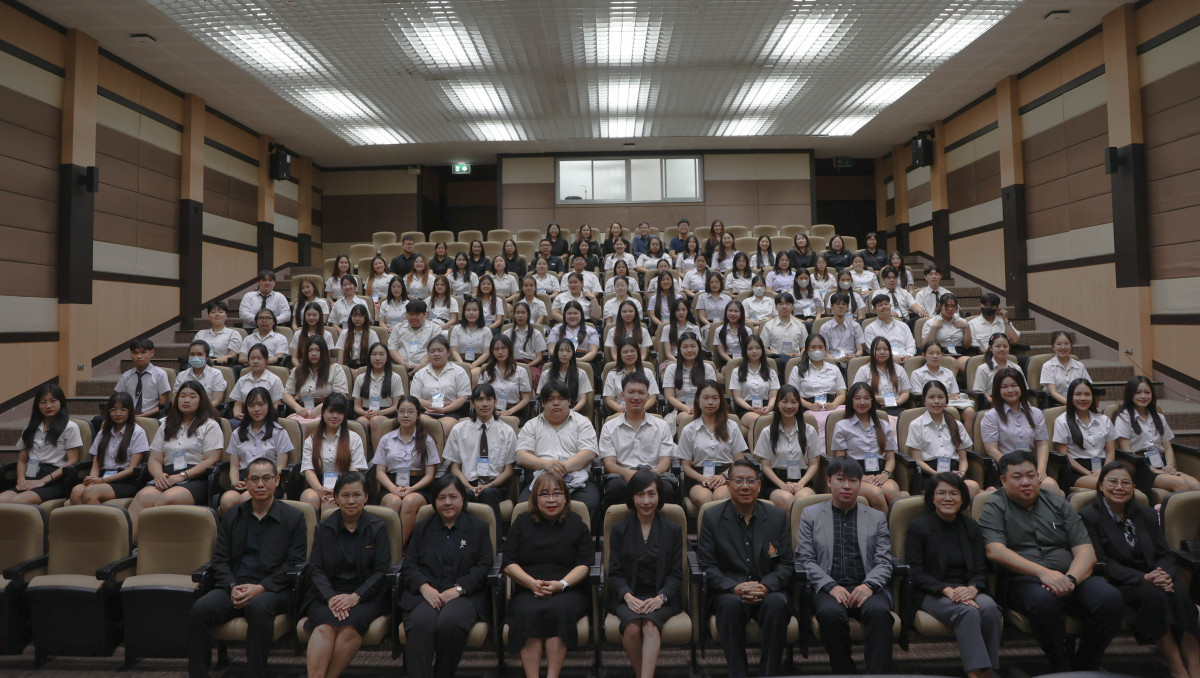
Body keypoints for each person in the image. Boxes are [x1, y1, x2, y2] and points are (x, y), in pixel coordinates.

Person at [980, 450, 1124, 672]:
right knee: (1044, 602)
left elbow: (1085, 551)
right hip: (1025, 579)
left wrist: (1071, 579)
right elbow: (995, 550)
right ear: (1003, 480)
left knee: (1110, 599)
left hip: (1071, 577)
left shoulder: (1057, 502)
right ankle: (1060, 665)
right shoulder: (995, 505)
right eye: (1017, 477)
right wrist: (1043, 573)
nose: (1026, 482)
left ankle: (1085, 664)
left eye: (1031, 475)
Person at [189, 457, 307, 678]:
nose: (260, 484)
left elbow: (295, 564)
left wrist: (261, 588)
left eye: (266, 478)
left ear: (277, 481)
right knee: (200, 609)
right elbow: (220, 559)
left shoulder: (293, 518)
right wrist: (231, 586)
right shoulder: (233, 515)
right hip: (235, 586)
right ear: (246, 483)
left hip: (273, 589)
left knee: (258, 608)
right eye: (254, 479)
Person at [1081, 462, 1200, 678]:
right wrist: (1143, 577)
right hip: (1120, 581)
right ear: (1100, 486)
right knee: (1155, 597)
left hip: (1155, 575)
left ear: (1134, 487)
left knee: (1179, 592)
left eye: (1125, 483)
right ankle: (1177, 667)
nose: (1119, 487)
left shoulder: (1145, 514)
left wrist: (1162, 573)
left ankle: (1195, 666)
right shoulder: (1090, 517)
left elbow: (1164, 553)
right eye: (1113, 482)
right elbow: (1101, 561)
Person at [797, 456, 894, 675]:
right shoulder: (811, 515)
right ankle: (845, 671)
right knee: (831, 614)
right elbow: (806, 559)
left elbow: (884, 561)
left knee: (879, 612)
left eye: (853, 481)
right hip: (828, 587)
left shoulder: (877, 517)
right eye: (840, 480)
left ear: (860, 484)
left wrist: (869, 585)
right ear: (829, 481)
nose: (847, 486)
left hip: (866, 585)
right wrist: (831, 586)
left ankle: (878, 673)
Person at [697, 459, 793, 678]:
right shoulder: (712, 517)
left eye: (750, 481)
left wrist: (765, 586)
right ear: (729, 485)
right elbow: (708, 565)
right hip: (730, 591)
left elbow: (786, 563)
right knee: (729, 606)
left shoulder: (777, 517)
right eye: (738, 481)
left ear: (759, 486)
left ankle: (769, 673)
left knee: (778, 604)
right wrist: (735, 587)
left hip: (767, 589)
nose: (745, 486)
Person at [905, 472, 1001, 678]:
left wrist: (973, 588)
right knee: (967, 612)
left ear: (963, 498)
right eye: (941, 493)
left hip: (967, 589)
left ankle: (988, 671)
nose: (948, 498)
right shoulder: (918, 527)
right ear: (932, 497)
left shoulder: (971, 527)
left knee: (990, 608)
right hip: (932, 592)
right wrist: (947, 590)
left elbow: (981, 569)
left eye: (954, 493)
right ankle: (974, 674)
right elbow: (916, 572)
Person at [401, 475, 494, 678]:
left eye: (453, 497)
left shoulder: (478, 527)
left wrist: (459, 589)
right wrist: (424, 587)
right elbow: (409, 564)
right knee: (420, 624)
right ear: (434, 501)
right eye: (441, 498)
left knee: (450, 623)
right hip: (427, 594)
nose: (448, 502)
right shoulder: (423, 527)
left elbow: (484, 565)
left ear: (463, 499)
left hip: (464, 595)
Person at [503, 472, 593, 678]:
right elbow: (508, 562)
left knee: (558, 611)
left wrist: (561, 584)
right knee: (528, 612)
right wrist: (531, 583)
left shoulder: (577, 524)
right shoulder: (522, 523)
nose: (551, 500)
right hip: (529, 589)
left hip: (567, 590)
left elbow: (584, 564)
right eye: (544, 494)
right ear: (535, 498)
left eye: (557, 493)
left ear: (565, 497)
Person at [303, 471, 391, 678]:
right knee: (325, 626)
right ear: (336, 498)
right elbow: (315, 568)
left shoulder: (377, 528)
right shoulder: (324, 528)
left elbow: (381, 571)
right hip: (328, 595)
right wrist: (331, 597)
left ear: (366, 497)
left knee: (349, 628)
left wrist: (355, 597)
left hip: (365, 597)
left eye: (357, 495)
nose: (351, 501)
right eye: (345, 495)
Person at [608, 470, 684, 678]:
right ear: (632, 497)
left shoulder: (673, 530)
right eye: (640, 494)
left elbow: (676, 573)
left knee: (650, 626)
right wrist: (628, 597)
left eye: (651, 494)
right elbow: (615, 572)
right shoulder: (619, 529)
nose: (646, 501)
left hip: (661, 597)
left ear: (659, 496)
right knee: (632, 628)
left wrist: (661, 598)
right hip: (628, 596)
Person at [128, 382, 222, 539]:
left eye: (192, 396)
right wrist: (158, 475)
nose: (186, 400)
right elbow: (155, 458)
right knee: (143, 497)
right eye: (182, 396)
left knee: (167, 499)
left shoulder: (210, 425)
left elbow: (211, 459)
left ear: (201, 400)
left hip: (196, 477)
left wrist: (182, 476)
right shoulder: (166, 423)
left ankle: (150, 545)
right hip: (167, 476)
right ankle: (128, 546)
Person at [516, 382, 601, 520]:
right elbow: (521, 455)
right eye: (550, 399)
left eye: (561, 399)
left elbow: (588, 452)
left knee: (589, 504)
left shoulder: (582, 423)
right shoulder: (531, 425)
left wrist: (561, 469)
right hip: (541, 480)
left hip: (577, 479)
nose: (556, 403)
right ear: (543, 403)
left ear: (569, 401)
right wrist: (546, 464)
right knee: (523, 508)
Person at [599, 372, 679, 512]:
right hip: (622, 475)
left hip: (654, 473)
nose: (636, 397)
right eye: (631, 392)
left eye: (641, 393)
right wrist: (627, 474)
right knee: (615, 488)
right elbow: (609, 463)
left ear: (647, 396)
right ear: (622, 395)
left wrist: (649, 477)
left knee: (666, 488)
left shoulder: (661, 426)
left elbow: (665, 462)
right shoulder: (609, 427)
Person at [1114, 376, 1200, 495]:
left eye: (1147, 392)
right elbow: (1127, 452)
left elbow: (1168, 448)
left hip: (1161, 463)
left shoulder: (1159, 417)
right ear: (1130, 394)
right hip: (1140, 466)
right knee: (1181, 484)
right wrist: (1151, 469)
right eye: (1138, 392)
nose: (1143, 396)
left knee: (1196, 485)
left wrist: (1170, 465)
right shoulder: (1124, 418)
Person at [373, 396, 440, 548]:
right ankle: (387, 546)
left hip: (419, 485)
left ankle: (395, 549)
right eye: (402, 411)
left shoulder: (427, 440)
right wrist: (393, 488)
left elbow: (430, 475)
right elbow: (379, 472)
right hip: (391, 484)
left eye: (410, 411)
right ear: (397, 413)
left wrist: (412, 489)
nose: (405, 415)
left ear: (418, 415)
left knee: (409, 502)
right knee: (394, 501)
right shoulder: (386, 439)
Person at [445, 384, 518, 525]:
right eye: (480, 400)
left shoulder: (507, 432)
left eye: (489, 399)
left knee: (487, 494)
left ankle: (495, 539)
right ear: (472, 403)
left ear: (495, 402)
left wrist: (489, 486)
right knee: (466, 495)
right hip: (467, 484)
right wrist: (469, 487)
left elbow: (508, 470)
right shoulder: (459, 429)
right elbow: (455, 467)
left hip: (495, 485)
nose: (485, 404)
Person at [979, 368, 1059, 492]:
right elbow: (991, 450)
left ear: (1021, 387)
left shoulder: (1036, 413)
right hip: (1005, 469)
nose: (1010, 390)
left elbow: (1042, 444)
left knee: (1050, 486)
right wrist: (1013, 468)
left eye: (1014, 385)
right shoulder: (991, 416)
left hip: (1031, 468)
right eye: (1004, 387)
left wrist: (1041, 469)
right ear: (998, 390)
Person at [1, 384, 82, 505]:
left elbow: (72, 461)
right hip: (30, 476)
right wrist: (21, 479)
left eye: (53, 401)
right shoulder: (30, 428)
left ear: (61, 402)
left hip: (54, 480)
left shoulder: (70, 427)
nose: (48, 406)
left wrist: (43, 481)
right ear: (37, 405)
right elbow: (22, 460)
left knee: (17, 502)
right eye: (43, 402)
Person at [219, 386, 292, 514]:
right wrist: (235, 482)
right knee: (227, 500)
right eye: (251, 405)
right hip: (244, 480)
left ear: (269, 406)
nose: (256, 409)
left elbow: (280, 466)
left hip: (267, 480)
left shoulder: (279, 432)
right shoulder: (238, 433)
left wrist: (263, 479)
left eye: (261, 404)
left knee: (247, 499)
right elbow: (234, 466)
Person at [831, 383, 901, 513]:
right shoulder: (842, 426)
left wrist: (885, 474)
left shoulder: (883, 425)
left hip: (880, 473)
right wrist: (860, 477)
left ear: (872, 400)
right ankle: (885, 526)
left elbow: (890, 458)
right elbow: (840, 460)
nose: (862, 402)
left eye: (867, 398)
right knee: (876, 494)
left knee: (893, 493)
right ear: (851, 401)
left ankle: (896, 525)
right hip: (853, 475)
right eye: (857, 398)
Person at [678, 381, 749, 507]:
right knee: (704, 499)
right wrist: (704, 479)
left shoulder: (731, 426)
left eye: (715, 398)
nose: (710, 402)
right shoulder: (689, 430)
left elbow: (739, 461)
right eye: (705, 398)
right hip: (699, 477)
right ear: (698, 400)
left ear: (720, 400)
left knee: (720, 498)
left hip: (726, 475)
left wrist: (724, 476)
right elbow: (685, 466)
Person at [69, 392, 148, 505]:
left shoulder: (137, 432)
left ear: (130, 411)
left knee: (90, 492)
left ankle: (98, 517)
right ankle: (81, 517)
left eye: (123, 410)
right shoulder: (102, 433)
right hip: (103, 476)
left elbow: (132, 469)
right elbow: (96, 464)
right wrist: (92, 479)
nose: (118, 413)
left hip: (125, 480)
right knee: (76, 491)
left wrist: (102, 480)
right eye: (113, 410)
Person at [299, 394, 369, 515]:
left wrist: (340, 491)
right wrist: (319, 489)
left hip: (345, 485)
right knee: (309, 499)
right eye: (331, 411)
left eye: (339, 412)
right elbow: (308, 469)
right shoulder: (311, 439)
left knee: (329, 503)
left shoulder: (354, 438)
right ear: (323, 413)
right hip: (318, 483)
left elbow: (354, 471)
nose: (335, 416)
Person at [907, 381, 980, 498]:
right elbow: (917, 459)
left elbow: (963, 458)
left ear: (946, 400)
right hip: (930, 474)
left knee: (973, 486)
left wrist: (961, 473)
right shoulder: (916, 425)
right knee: (944, 490)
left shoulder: (956, 424)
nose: (936, 401)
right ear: (924, 401)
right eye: (931, 397)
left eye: (940, 397)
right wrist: (937, 474)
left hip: (954, 473)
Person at [753, 385, 820, 511]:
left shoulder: (809, 431)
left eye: (793, 402)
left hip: (803, 480)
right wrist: (782, 485)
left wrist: (800, 484)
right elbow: (765, 466)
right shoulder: (767, 432)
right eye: (784, 401)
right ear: (777, 404)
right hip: (775, 482)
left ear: (799, 404)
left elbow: (814, 464)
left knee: (803, 500)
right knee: (788, 500)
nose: (789, 406)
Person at [1052, 379, 1116, 491]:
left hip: (1103, 468)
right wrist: (1088, 473)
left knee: (1124, 483)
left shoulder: (1104, 420)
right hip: (1077, 471)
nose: (1083, 398)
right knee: (1108, 486)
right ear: (1070, 397)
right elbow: (1065, 456)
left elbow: (1110, 451)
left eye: (1087, 394)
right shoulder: (1062, 422)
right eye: (1078, 394)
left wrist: (1104, 471)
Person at [787, 334, 846, 448]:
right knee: (821, 421)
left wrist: (834, 404)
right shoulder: (797, 369)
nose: (817, 350)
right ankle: (822, 452)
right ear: (807, 350)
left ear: (825, 349)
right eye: (813, 347)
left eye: (820, 347)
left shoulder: (834, 368)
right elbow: (793, 395)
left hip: (831, 406)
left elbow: (842, 393)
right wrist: (810, 405)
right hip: (809, 407)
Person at [411, 335, 473, 439]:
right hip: (426, 412)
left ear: (448, 352)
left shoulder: (459, 371)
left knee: (440, 430)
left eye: (440, 350)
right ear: (428, 354)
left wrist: (444, 409)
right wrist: (439, 405)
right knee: (426, 426)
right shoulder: (420, 373)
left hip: (452, 412)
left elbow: (463, 398)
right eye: (432, 351)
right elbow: (415, 400)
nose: (436, 354)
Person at [911, 341, 976, 435]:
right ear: (924, 355)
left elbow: (955, 393)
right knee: (952, 411)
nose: (935, 356)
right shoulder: (917, 374)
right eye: (931, 353)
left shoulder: (948, 372)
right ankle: (954, 440)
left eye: (938, 353)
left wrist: (951, 397)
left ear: (942, 355)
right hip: (932, 404)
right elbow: (919, 396)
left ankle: (967, 442)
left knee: (970, 412)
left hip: (950, 402)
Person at [283, 336, 349, 425]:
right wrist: (298, 408)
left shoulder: (336, 369)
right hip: (302, 412)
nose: (313, 354)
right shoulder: (297, 370)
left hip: (328, 411)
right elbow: (287, 394)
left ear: (324, 352)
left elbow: (341, 395)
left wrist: (320, 408)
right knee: (291, 424)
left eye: (318, 350)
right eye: (310, 350)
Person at [352, 343, 405, 446]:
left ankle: (377, 455)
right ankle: (362, 455)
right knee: (361, 423)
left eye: (381, 354)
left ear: (387, 357)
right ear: (369, 357)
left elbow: (396, 406)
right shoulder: (360, 378)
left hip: (387, 413)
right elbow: (356, 406)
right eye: (374, 354)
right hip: (366, 413)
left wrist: (379, 413)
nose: (377, 358)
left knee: (376, 420)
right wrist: (365, 413)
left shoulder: (395, 378)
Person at [728, 336, 779, 430]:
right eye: (750, 349)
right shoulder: (737, 372)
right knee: (757, 421)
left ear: (762, 350)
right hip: (746, 409)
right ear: (745, 351)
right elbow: (737, 397)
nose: (754, 351)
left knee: (774, 419)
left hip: (766, 407)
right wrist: (751, 408)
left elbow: (773, 396)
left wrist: (769, 407)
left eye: (757, 348)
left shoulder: (771, 372)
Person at [852, 336, 911, 417]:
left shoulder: (899, 369)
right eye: (878, 349)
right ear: (872, 352)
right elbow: (856, 393)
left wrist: (896, 403)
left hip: (897, 408)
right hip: (872, 409)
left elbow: (905, 392)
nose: (882, 352)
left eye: (885, 349)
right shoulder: (864, 370)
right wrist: (876, 398)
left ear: (890, 351)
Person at [114, 338, 172, 418]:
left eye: (143, 352)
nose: (139, 356)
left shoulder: (160, 374)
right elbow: (117, 399)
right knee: (99, 420)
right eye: (135, 353)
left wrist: (141, 417)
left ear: (152, 353)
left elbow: (163, 405)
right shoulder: (126, 376)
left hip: (151, 417)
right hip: (127, 416)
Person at [228, 344, 285, 422]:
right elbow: (238, 404)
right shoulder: (242, 380)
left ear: (266, 360)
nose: (255, 361)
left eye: (259, 358)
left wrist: (260, 415)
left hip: (266, 418)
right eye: (252, 358)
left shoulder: (274, 380)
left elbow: (276, 405)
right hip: (245, 418)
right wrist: (237, 413)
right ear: (248, 361)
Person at [602, 338, 659, 414]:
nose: (629, 354)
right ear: (619, 354)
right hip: (621, 412)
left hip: (643, 411)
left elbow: (652, 398)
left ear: (637, 352)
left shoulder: (647, 373)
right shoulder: (612, 374)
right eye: (625, 352)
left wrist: (640, 409)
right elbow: (610, 399)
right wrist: (623, 410)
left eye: (632, 351)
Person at [537, 339, 594, 414]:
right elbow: (543, 398)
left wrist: (571, 412)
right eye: (561, 350)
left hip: (574, 411)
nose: (564, 354)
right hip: (552, 411)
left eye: (568, 351)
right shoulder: (546, 374)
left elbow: (583, 399)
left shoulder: (581, 373)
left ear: (573, 353)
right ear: (556, 352)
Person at [759, 292, 808, 378]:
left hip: (795, 360)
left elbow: (805, 347)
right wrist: (774, 354)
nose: (784, 307)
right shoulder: (769, 325)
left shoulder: (800, 325)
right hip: (776, 360)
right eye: (781, 304)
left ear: (792, 307)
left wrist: (800, 355)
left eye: (788, 304)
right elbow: (763, 347)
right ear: (776, 307)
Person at [921, 293, 973, 371]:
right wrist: (933, 328)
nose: (950, 309)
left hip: (959, 352)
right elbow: (925, 345)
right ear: (940, 306)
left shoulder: (962, 322)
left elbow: (967, 345)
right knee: (952, 362)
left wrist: (967, 328)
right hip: (940, 354)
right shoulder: (932, 322)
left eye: (953, 306)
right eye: (947, 306)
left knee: (969, 363)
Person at [1040, 331, 1093, 406]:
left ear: (1071, 345)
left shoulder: (1080, 366)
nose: (1063, 347)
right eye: (1059, 344)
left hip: (1079, 403)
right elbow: (1053, 393)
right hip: (1054, 405)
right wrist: (1072, 405)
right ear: (1053, 347)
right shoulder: (1047, 366)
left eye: (1066, 344)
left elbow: (1087, 388)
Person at [863, 294, 916, 362]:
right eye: (880, 305)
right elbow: (873, 350)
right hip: (884, 362)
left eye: (886, 304)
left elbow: (911, 344)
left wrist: (908, 355)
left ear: (890, 306)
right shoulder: (870, 329)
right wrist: (892, 358)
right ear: (874, 310)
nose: (884, 307)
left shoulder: (903, 325)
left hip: (906, 360)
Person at [973, 333, 1024, 402]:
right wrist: (995, 403)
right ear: (991, 348)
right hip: (992, 403)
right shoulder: (983, 369)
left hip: (1014, 401)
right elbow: (980, 392)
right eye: (998, 346)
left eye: (1005, 346)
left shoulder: (1016, 368)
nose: (1002, 349)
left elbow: (1023, 389)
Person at [818, 292, 866, 366]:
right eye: (837, 304)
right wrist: (836, 360)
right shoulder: (825, 328)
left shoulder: (855, 326)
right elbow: (825, 353)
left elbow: (860, 350)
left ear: (847, 307)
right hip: (833, 362)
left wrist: (854, 357)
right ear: (832, 306)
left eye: (844, 304)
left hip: (852, 361)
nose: (841, 307)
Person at [195, 301, 242, 367]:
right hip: (200, 364)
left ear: (226, 315)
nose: (217, 314)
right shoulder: (200, 334)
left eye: (220, 312)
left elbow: (232, 355)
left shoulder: (233, 334)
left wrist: (213, 361)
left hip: (223, 366)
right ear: (208, 316)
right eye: (213, 312)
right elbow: (194, 353)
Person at [450, 298, 493, 369]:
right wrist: (463, 365)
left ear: (480, 312)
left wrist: (473, 365)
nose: (471, 313)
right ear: (464, 312)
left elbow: (486, 353)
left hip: (480, 364)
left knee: (475, 373)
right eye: (468, 310)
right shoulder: (456, 329)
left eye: (475, 310)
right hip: (460, 364)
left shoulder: (486, 331)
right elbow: (454, 351)